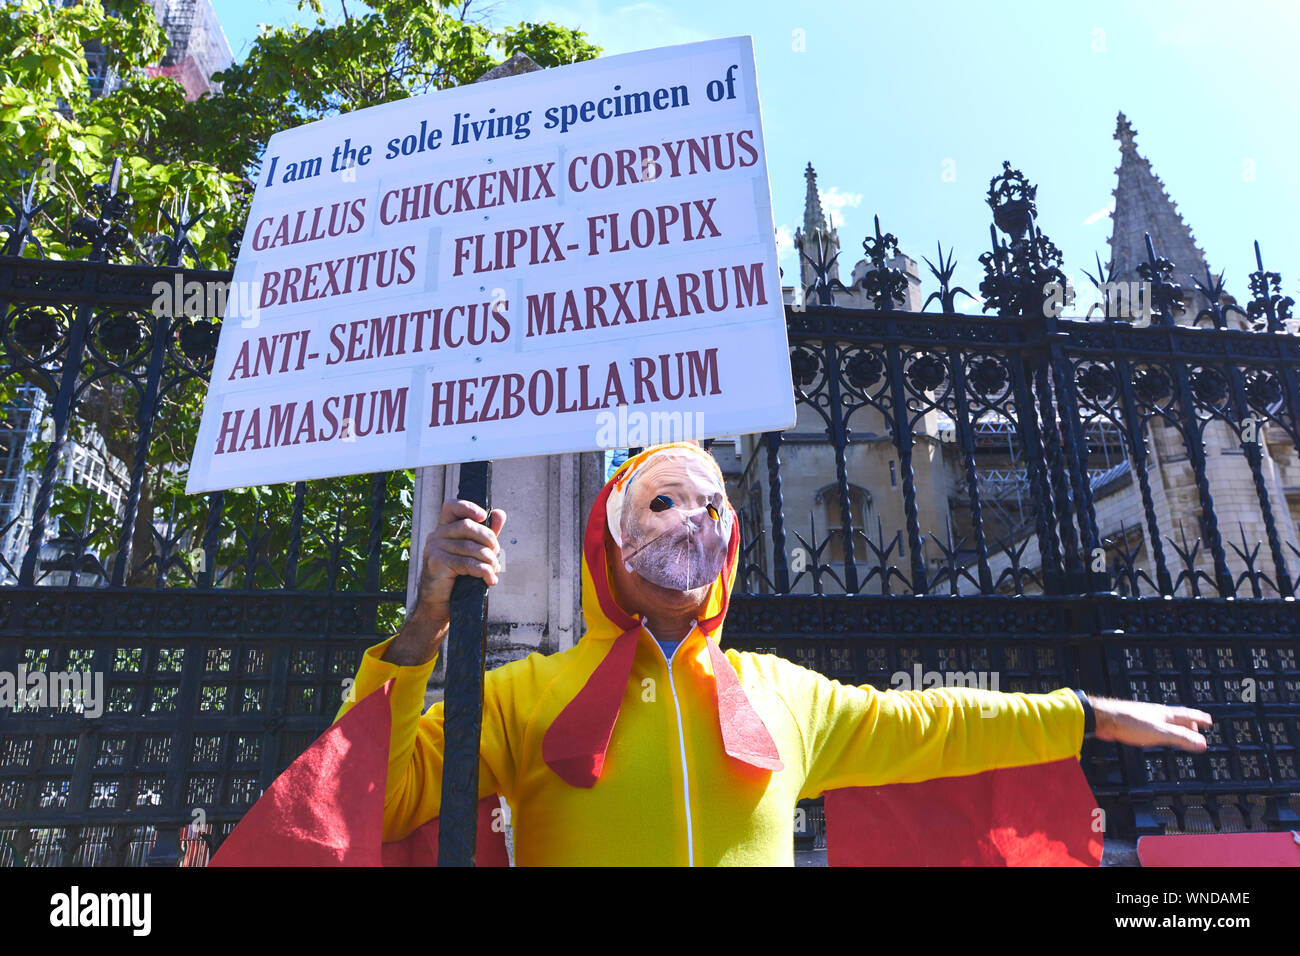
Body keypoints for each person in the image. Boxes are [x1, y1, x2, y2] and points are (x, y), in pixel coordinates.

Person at [331, 440, 1211, 866]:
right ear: (610, 538)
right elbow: (369, 799)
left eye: (709, 506)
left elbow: (936, 723)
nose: (689, 522)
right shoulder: (526, 694)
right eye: (663, 502)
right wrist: (423, 631)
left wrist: (1088, 713)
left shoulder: (785, 695)